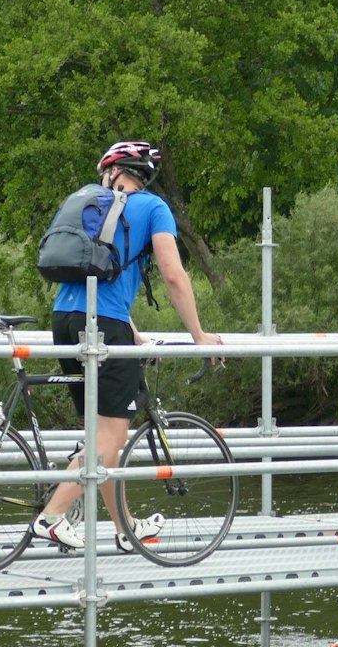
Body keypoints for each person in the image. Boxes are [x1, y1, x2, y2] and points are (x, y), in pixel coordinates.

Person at [30, 141, 223, 551]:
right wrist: (199, 335)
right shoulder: (152, 207)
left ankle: (126, 528)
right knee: (107, 440)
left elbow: (97, 277)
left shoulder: (88, 204)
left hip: (66, 321)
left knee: (100, 439)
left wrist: (133, 334)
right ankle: (51, 516)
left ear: (112, 173)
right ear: (143, 174)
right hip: (102, 328)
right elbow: (172, 274)